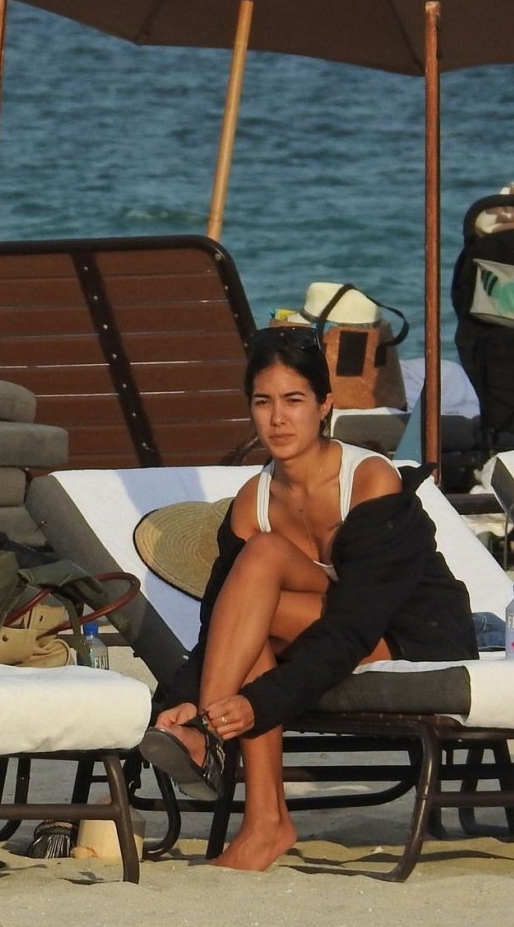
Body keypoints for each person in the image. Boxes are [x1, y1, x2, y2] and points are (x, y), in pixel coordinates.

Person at [144, 327, 478, 871]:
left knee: (261, 590)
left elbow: (354, 627)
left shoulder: (369, 480)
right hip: (320, 633)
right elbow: (222, 624)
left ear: (325, 405)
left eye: (294, 400)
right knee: (260, 564)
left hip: (406, 634)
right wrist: (177, 697)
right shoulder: (253, 502)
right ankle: (261, 818)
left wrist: (257, 704)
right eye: (263, 402)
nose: (278, 419)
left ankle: (216, 751)